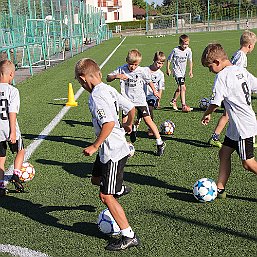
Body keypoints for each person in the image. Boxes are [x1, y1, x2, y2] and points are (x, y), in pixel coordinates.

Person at [75, 58, 139, 251]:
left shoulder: (96, 96)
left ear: (83, 79)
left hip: (112, 150)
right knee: (95, 179)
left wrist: (95, 145)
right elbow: (131, 108)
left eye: (80, 83)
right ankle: (118, 189)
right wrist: (129, 124)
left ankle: (128, 235)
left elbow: (109, 123)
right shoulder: (108, 89)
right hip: (109, 148)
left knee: (105, 196)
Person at [201, 43, 257, 199]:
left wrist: (207, 113)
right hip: (237, 124)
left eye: (209, 66)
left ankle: (220, 187)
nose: (210, 70)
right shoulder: (240, 70)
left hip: (242, 126)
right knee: (224, 152)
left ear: (218, 62)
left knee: (248, 163)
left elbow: (215, 102)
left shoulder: (222, 76)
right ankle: (220, 188)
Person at [107, 49, 166, 156]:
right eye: (130, 64)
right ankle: (123, 145)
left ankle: (160, 143)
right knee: (125, 125)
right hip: (126, 102)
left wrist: (155, 91)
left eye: (135, 64)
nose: (132, 67)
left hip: (140, 101)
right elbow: (108, 78)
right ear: (126, 61)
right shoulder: (121, 69)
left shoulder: (142, 70)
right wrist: (116, 76)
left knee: (148, 121)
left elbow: (149, 81)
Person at [208, 30, 257, 148]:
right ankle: (216, 136)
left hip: (231, 93)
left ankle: (215, 136)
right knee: (228, 115)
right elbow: (237, 75)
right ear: (250, 45)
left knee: (227, 116)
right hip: (233, 94)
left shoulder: (237, 53)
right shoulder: (241, 56)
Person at [0, 60, 25, 196]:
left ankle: (1, 185)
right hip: (9, 128)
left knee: (1, 159)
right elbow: (12, 111)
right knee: (20, 151)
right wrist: (13, 132)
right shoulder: (13, 90)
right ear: (11, 74)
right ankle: (16, 174)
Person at [166, 34, 193, 112]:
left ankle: (173, 101)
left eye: (187, 44)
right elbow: (169, 59)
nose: (185, 46)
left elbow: (190, 61)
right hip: (176, 72)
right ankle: (183, 105)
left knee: (180, 88)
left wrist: (190, 70)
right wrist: (168, 69)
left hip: (183, 72)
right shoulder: (175, 50)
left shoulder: (189, 50)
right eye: (184, 44)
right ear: (180, 43)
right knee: (183, 87)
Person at [144, 51, 166, 136]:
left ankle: (150, 128)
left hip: (152, 95)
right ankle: (135, 124)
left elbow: (160, 88)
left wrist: (158, 100)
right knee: (141, 111)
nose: (159, 65)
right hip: (142, 94)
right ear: (154, 60)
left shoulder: (160, 74)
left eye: (161, 64)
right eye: (158, 63)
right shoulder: (145, 70)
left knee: (150, 109)